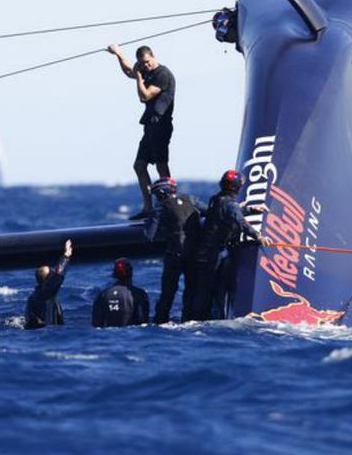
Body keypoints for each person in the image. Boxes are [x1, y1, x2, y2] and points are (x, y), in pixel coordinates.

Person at [105, 43, 176, 218]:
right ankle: (148, 208)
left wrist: (138, 77)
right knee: (139, 165)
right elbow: (130, 70)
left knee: (161, 165)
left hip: (161, 124)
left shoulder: (162, 74)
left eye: (147, 62)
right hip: (150, 125)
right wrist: (119, 54)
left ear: (153, 56)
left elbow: (144, 96)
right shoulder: (146, 71)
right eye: (142, 64)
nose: (146, 66)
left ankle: (170, 205)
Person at [184, 170, 264, 322]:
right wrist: (258, 236)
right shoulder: (230, 205)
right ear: (237, 187)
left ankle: (194, 317)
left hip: (204, 251)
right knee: (215, 289)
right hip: (215, 253)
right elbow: (240, 222)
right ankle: (209, 319)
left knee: (202, 288)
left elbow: (225, 212)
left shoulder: (216, 199)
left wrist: (249, 210)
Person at [145, 177, 204, 324]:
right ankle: (188, 319)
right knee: (191, 290)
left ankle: (161, 320)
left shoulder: (161, 208)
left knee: (168, 292)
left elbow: (149, 236)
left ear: (161, 194)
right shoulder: (191, 200)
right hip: (194, 255)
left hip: (174, 255)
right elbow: (210, 211)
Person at [24, 239, 73, 330]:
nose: (53, 272)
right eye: (51, 273)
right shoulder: (46, 294)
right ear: (48, 280)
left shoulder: (35, 295)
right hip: (47, 333)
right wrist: (66, 256)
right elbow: (58, 276)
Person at [91, 258, 150, 327]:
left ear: (114, 275)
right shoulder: (140, 294)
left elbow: (96, 324)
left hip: (109, 336)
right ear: (131, 273)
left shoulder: (102, 295)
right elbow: (143, 322)